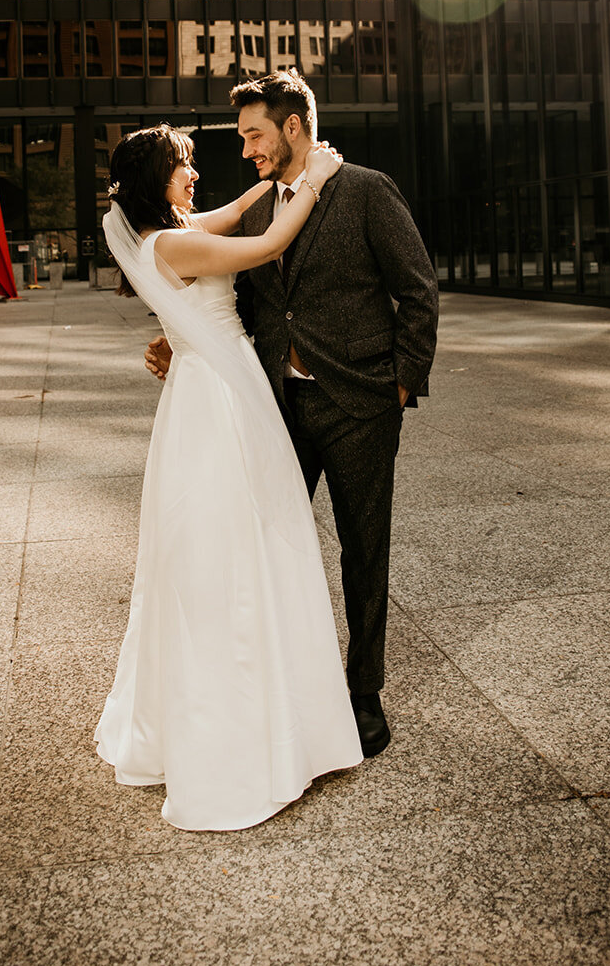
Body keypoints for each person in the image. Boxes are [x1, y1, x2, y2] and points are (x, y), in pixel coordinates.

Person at [147, 69, 439, 759]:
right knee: (272, 546)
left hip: (360, 404)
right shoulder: (254, 211)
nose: (246, 149)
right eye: (243, 136)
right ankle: (284, 684)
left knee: (363, 549)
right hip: (275, 407)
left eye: (254, 134)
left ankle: (362, 692)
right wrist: (178, 334)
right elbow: (247, 302)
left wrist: (396, 388)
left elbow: (418, 294)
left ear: (292, 126)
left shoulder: (366, 191)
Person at [97, 124, 363, 832]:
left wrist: (278, 180)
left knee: (244, 536)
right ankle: (240, 737)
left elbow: (239, 212)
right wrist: (313, 181)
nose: (193, 175)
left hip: (210, 383)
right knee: (235, 543)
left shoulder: (174, 231)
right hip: (218, 397)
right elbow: (264, 245)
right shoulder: (171, 243)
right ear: (156, 181)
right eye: (181, 167)